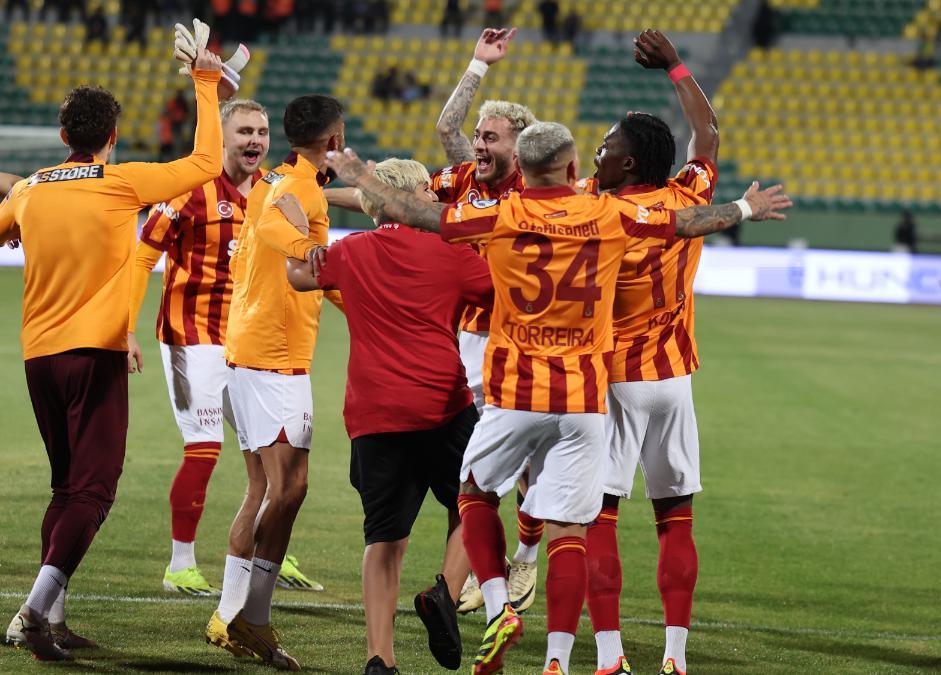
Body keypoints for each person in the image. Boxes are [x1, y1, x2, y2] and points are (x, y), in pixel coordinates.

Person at [324, 121, 791, 675]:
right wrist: (743, 208)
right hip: (584, 399)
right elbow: (686, 221)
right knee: (570, 531)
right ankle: (557, 662)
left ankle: (499, 607)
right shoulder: (608, 212)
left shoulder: (505, 214)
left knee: (473, 492)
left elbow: (422, 215)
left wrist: (359, 177)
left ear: (525, 168)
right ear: (574, 171)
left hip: (516, 392)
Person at [0, 48, 225, 663]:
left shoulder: (29, 188)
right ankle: (33, 611)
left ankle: (52, 623)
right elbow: (208, 162)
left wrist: (21, 221)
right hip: (93, 353)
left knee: (66, 487)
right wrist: (206, 81)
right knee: (94, 491)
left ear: (63, 134)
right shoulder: (121, 182)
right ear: (113, 137)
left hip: (37, 357)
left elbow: (3, 225)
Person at [281, 159, 493, 675]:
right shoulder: (451, 250)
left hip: (374, 412)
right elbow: (500, 291)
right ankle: (445, 589)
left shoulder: (351, 252)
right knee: (477, 498)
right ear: (416, 195)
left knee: (383, 538)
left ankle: (380, 659)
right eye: (428, 189)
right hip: (441, 402)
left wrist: (299, 228)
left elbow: (298, 274)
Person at [126, 96, 322, 599]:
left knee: (268, 459)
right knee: (205, 449)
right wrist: (126, 327)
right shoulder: (189, 190)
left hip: (244, 342)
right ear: (223, 137)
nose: (254, 140)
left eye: (261, 132)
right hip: (191, 335)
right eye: (243, 132)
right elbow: (143, 254)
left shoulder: (269, 192)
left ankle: (270, 545)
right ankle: (180, 563)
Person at [574, 30, 717, 675]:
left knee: (599, 517)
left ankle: (609, 657)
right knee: (674, 517)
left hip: (617, 382)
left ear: (627, 165)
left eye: (606, 147)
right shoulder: (687, 198)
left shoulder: (600, 215)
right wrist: (675, 67)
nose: (598, 154)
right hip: (675, 381)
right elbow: (707, 138)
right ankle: (676, 657)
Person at [204, 94, 345, 671]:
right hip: (273, 358)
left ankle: (230, 614)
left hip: (254, 351)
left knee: (265, 490)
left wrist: (350, 296)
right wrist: (310, 248)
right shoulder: (296, 190)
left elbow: (292, 247)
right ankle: (252, 619)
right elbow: (275, 226)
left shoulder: (279, 179)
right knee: (289, 491)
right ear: (333, 138)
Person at [430, 27, 545, 615]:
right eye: (480, 135)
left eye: (491, 137)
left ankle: (522, 559)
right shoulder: (465, 178)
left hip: (515, 339)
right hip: (463, 338)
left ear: (519, 148)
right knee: (482, 462)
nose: (478, 143)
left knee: (519, 463)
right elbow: (447, 129)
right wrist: (477, 63)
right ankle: (489, 564)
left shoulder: (535, 190)